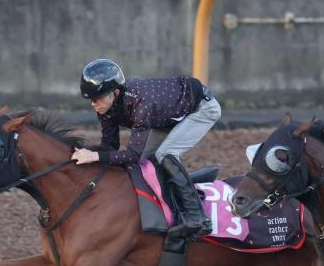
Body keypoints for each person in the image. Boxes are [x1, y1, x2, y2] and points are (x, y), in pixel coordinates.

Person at [71, 59, 220, 238]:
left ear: (115, 93)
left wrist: (94, 156)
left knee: (165, 154)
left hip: (201, 109)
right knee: (146, 163)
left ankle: (197, 218)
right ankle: (169, 210)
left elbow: (132, 154)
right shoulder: (106, 106)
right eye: (90, 100)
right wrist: (83, 154)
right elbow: (110, 147)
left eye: (97, 99)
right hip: (167, 116)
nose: (93, 104)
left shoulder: (142, 104)